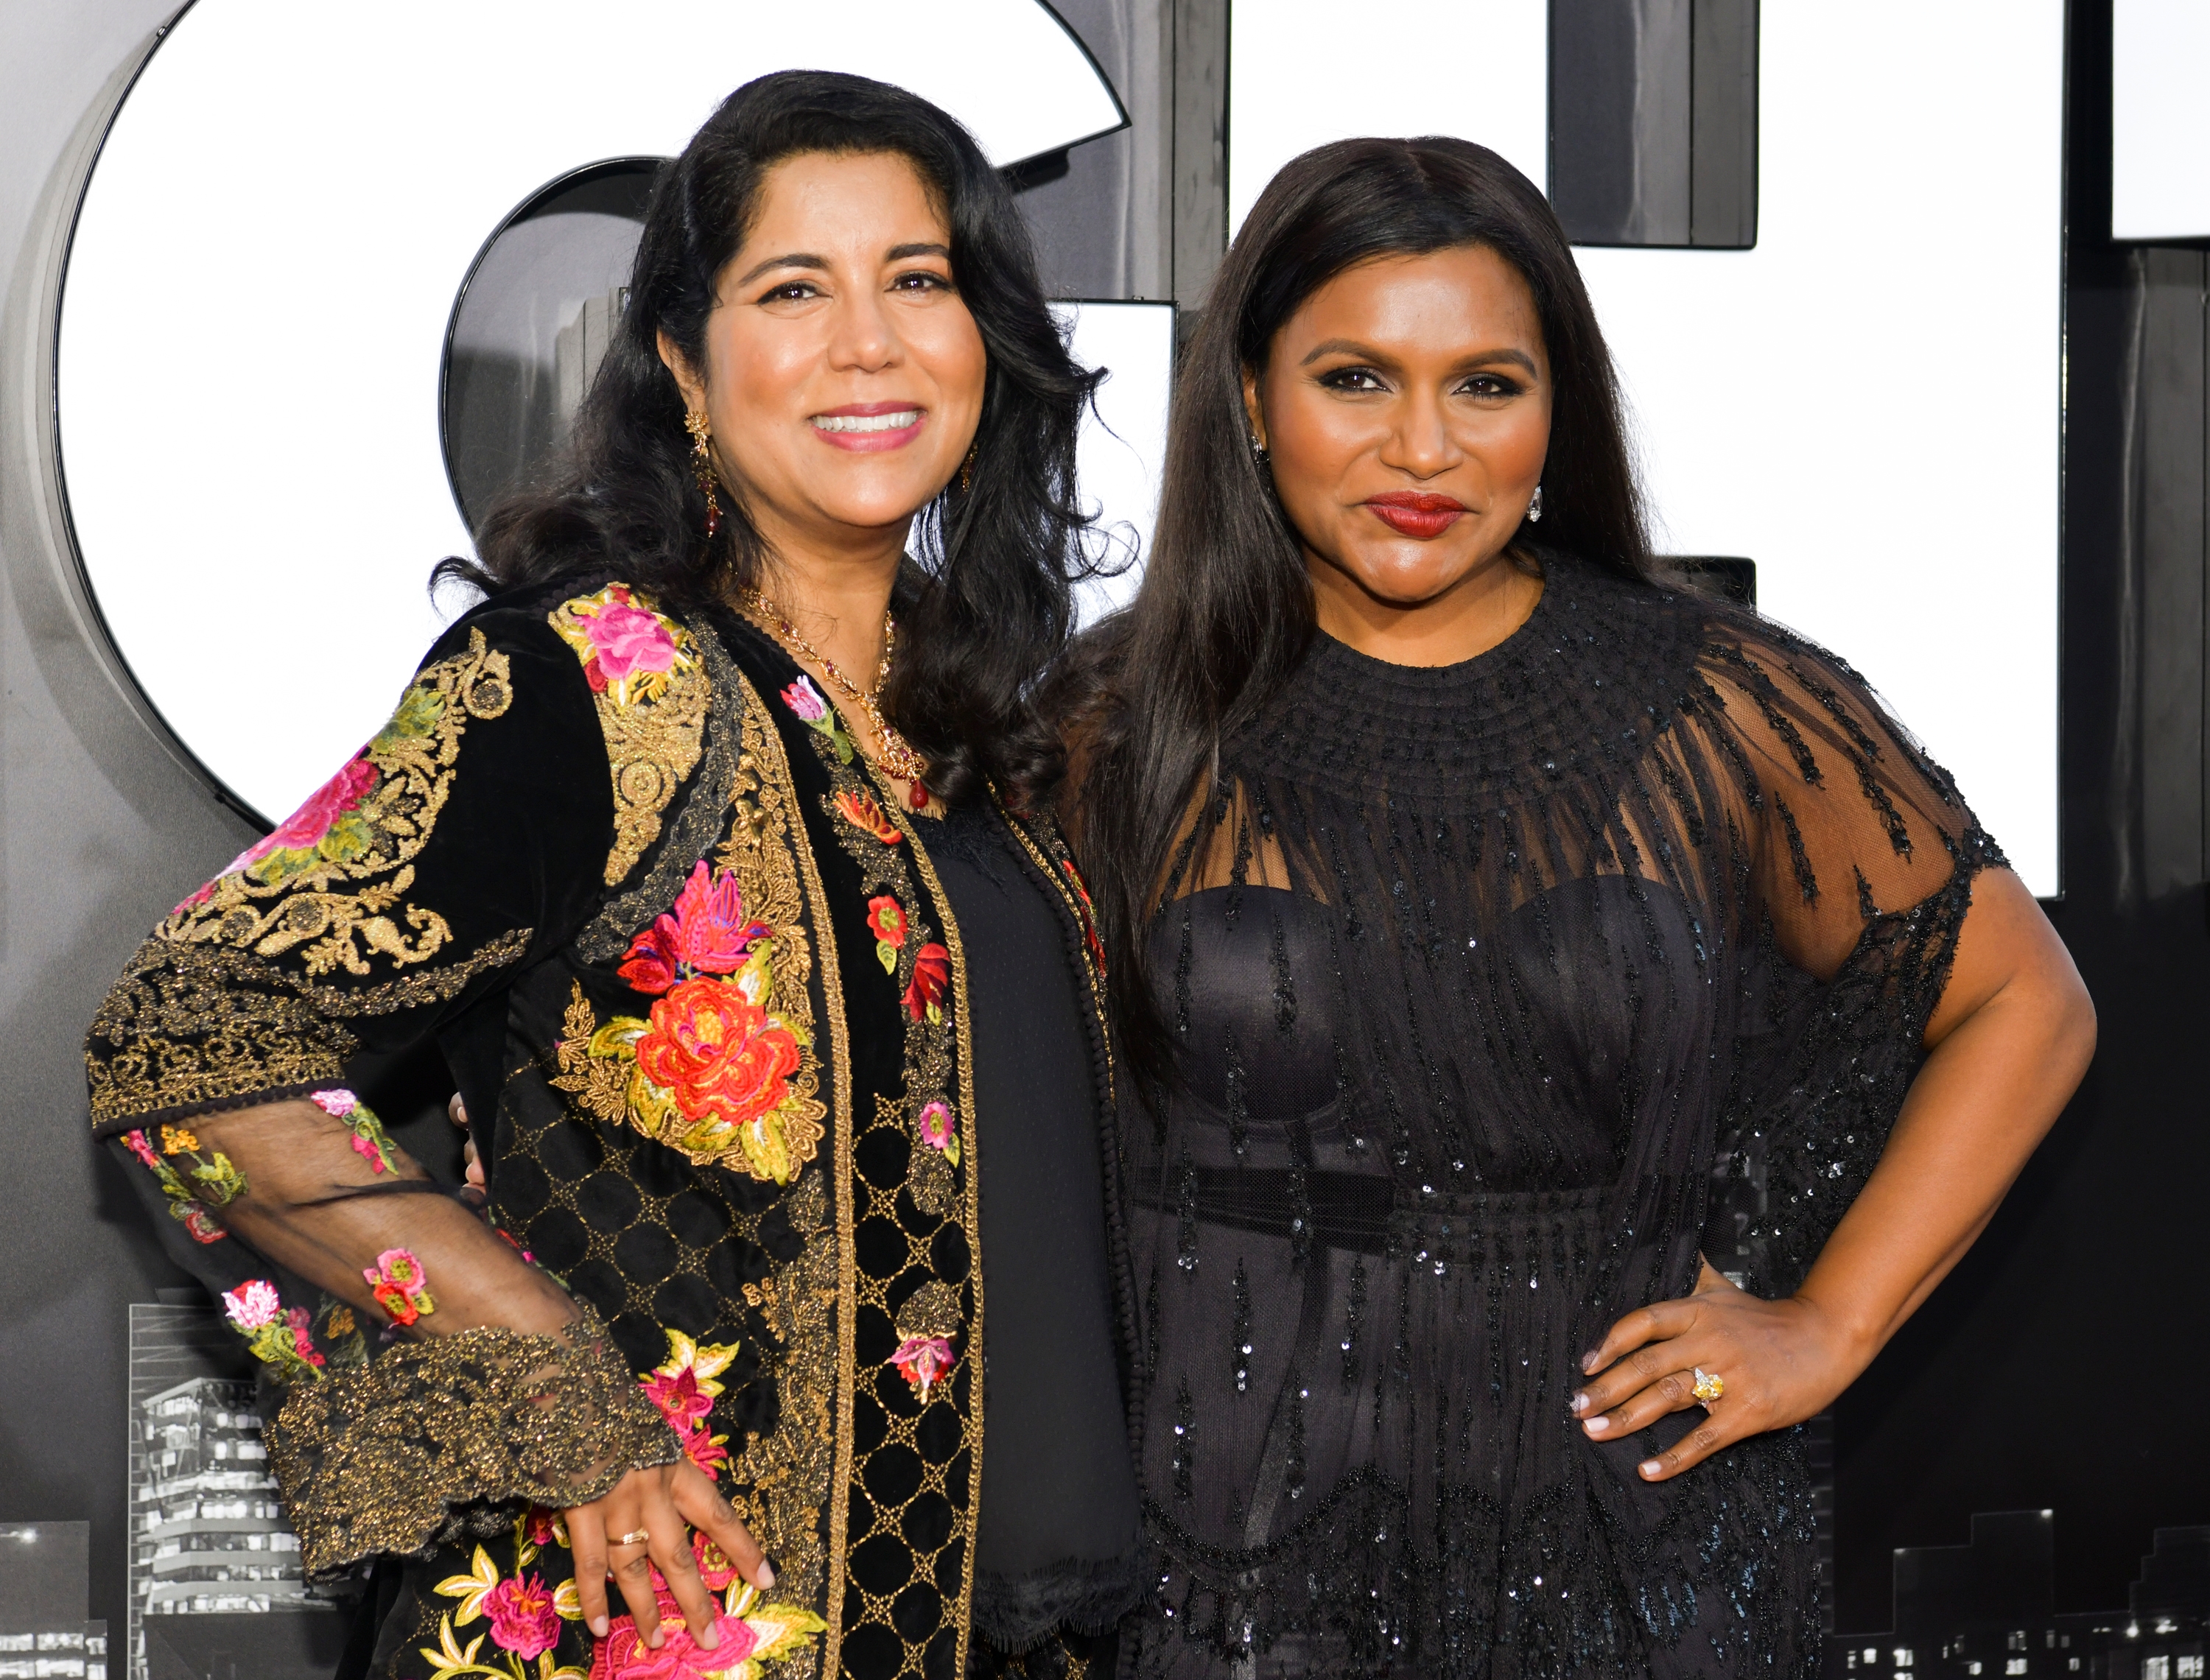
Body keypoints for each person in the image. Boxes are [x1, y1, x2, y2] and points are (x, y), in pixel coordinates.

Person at [84, 71, 1144, 1680]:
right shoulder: (592, 684)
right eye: (795, 288)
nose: (870, 339)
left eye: (917, 280)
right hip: (660, 1636)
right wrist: (564, 1396)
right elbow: (190, 1040)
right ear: (683, 362)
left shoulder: (1006, 724)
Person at [1058, 136, 2095, 1679]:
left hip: (1635, 1568)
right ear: (1251, 400)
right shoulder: (1103, 724)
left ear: (1558, 411)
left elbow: (2023, 1000)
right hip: (1228, 1585)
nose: (1425, 447)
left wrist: (1828, 1322)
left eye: (1487, 383)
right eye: (1354, 379)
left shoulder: (1723, 703)